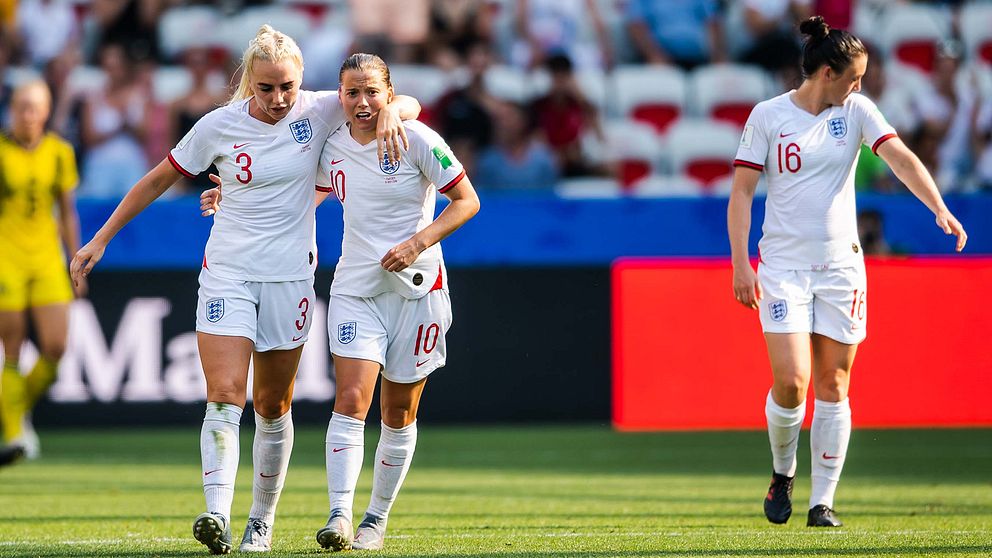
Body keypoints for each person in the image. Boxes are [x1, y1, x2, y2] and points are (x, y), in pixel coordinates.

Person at [70, 26, 420, 555]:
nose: (279, 99)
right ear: (247, 83)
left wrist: (398, 110)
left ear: (300, 80)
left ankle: (261, 520)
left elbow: (391, 100)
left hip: (291, 277)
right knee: (224, 394)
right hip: (228, 272)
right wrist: (100, 238)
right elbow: (159, 178)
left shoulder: (321, 108)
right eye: (266, 88)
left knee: (272, 405)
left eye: (287, 86)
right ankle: (216, 513)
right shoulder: (217, 126)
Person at [727, 16, 967, 528]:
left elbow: (900, 158)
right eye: (854, 77)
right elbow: (742, 194)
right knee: (792, 382)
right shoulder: (768, 117)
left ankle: (822, 503)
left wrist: (938, 207)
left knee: (834, 383)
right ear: (828, 72)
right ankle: (783, 472)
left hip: (841, 266)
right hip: (784, 267)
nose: (860, 86)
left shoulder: (856, 111)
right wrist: (741, 262)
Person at [312, 53, 479, 551]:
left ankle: (375, 520)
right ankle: (340, 515)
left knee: (398, 411)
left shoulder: (420, 139)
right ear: (339, 96)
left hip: (418, 288)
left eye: (371, 92)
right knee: (350, 399)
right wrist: (229, 200)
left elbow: (467, 201)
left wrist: (417, 243)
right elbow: (300, 195)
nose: (362, 102)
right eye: (351, 93)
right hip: (356, 288)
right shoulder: (330, 146)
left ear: (388, 93)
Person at [0, 80, 82, 463]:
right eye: (21, 107)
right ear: (12, 110)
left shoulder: (59, 153)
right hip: (7, 257)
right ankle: (15, 432)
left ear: (46, 112)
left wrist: (77, 258)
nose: (27, 115)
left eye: (34, 108)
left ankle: (14, 408)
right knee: (12, 348)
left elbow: (66, 210)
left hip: (47, 257)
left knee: (56, 348)